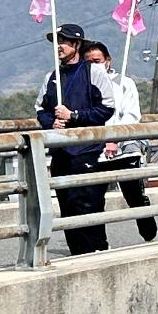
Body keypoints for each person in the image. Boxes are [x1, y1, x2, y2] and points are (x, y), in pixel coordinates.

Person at [36, 22, 115, 255]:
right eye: (56, 41)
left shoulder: (94, 71)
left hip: (87, 149)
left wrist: (74, 116)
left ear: (77, 44)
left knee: (88, 204)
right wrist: (52, 121)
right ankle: (77, 253)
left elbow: (107, 108)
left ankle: (96, 250)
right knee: (67, 204)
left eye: (63, 41)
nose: (58, 46)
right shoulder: (51, 77)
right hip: (61, 150)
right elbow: (40, 109)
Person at [81, 39, 157, 242]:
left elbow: (132, 116)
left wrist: (115, 138)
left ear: (107, 60)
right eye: (88, 62)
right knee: (95, 200)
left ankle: (147, 230)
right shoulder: (83, 87)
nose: (94, 66)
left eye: (97, 60)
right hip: (96, 149)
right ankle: (99, 243)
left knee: (134, 195)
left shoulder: (124, 83)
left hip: (124, 147)